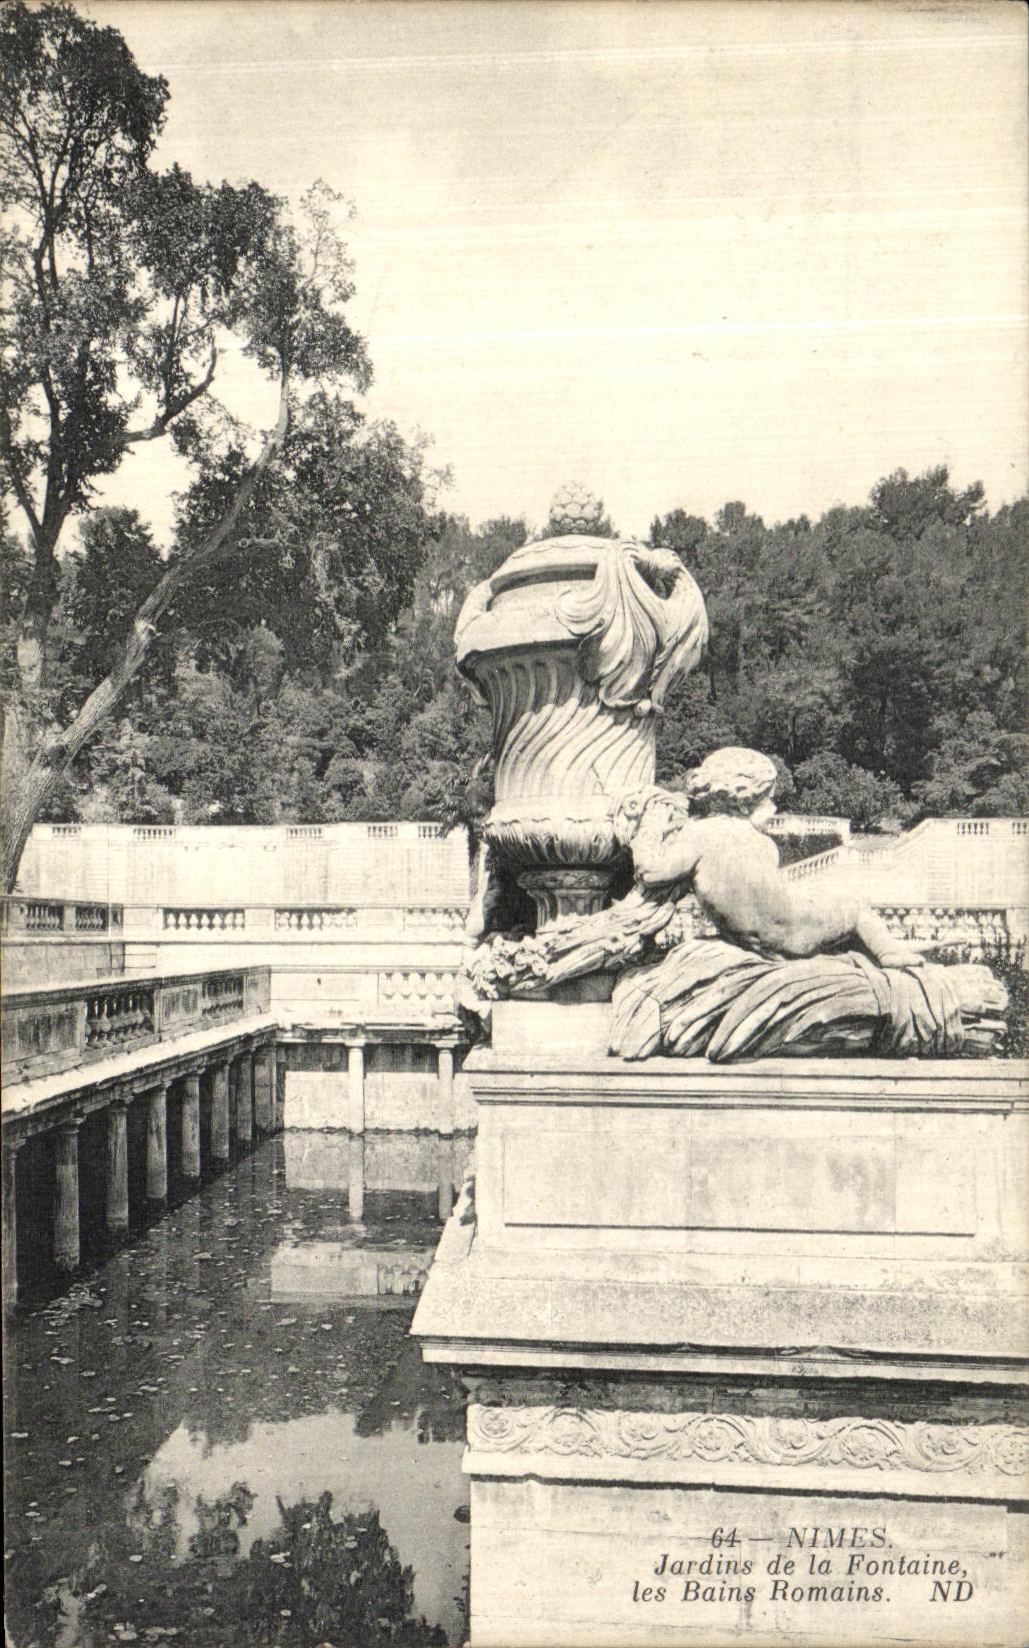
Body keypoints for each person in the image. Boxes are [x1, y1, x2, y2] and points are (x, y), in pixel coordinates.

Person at [620, 747, 922, 969]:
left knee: (843, 910)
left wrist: (649, 825)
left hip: (765, 938)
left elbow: (649, 871)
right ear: (750, 797)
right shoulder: (762, 844)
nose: (773, 807)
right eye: (769, 798)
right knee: (854, 908)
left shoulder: (700, 834)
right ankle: (889, 953)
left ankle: (885, 955)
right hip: (793, 932)